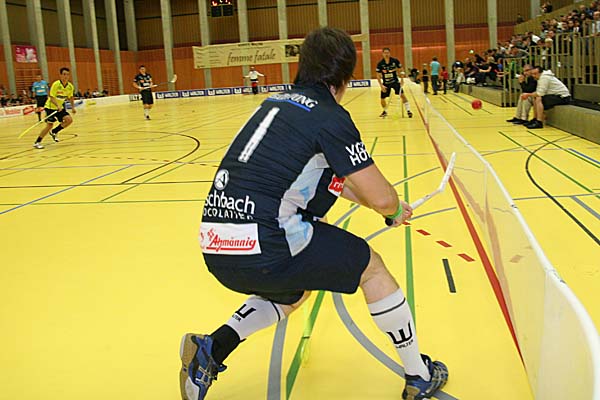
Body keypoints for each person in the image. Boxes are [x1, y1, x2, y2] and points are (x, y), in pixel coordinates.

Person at [180, 27, 448, 400]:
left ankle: (211, 349)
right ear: (346, 74)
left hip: (217, 244)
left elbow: (338, 182)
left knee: (292, 290)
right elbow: (381, 197)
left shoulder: (273, 104)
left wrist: (385, 207)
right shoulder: (329, 117)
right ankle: (418, 375)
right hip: (268, 243)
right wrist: (391, 207)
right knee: (371, 267)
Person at [33, 67, 76, 149]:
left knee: (69, 120)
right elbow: (52, 97)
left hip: (60, 108)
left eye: (67, 74)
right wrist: (57, 105)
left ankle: (54, 132)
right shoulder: (56, 84)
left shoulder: (70, 86)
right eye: (64, 74)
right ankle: (37, 142)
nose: (66, 76)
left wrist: (73, 107)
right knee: (49, 125)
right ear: (60, 75)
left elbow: (71, 97)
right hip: (50, 107)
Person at [376, 47, 413, 118]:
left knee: (402, 95)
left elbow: (401, 69)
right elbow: (378, 75)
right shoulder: (380, 64)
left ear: (390, 53)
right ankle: (385, 111)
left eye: (387, 53)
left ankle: (408, 111)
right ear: (382, 54)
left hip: (395, 82)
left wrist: (402, 79)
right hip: (386, 83)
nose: (386, 54)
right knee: (382, 99)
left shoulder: (395, 61)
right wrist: (381, 85)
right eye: (385, 53)